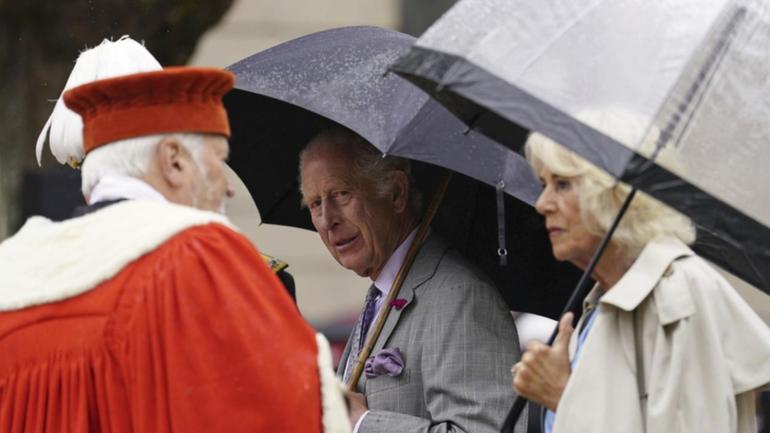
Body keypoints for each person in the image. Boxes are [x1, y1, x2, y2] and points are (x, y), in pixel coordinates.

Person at [0, 47, 349, 432]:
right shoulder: (199, 255)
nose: (227, 189)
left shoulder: (12, 276)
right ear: (174, 161)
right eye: (217, 161)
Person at [512, 111, 770, 433]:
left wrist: (562, 397)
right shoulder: (604, 302)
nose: (542, 203)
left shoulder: (679, 295)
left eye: (562, 184)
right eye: (543, 184)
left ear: (616, 192)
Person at [298, 127, 525, 433]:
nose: (328, 220)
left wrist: (363, 423)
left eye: (341, 194)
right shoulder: (381, 293)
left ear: (395, 193)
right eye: (315, 204)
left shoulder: (458, 294)